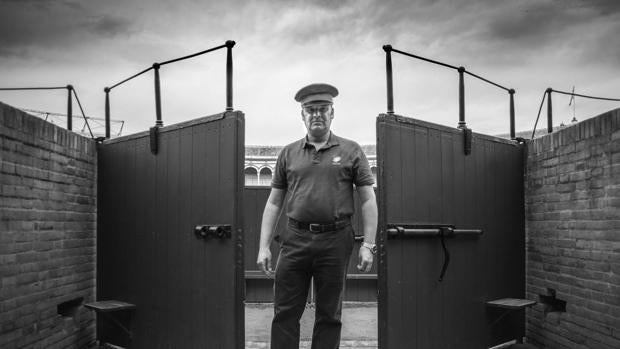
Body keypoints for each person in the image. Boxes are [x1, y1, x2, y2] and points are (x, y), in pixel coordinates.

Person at [256, 83, 378, 349]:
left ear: (332, 113)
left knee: (329, 314)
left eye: (323, 108)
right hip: (294, 240)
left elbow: (368, 199)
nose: (317, 114)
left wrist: (368, 245)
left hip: (335, 241)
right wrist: (264, 246)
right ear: (302, 115)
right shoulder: (288, 153)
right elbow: (274, 203)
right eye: (310, 110)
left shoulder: (351, 150)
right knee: (285, 311)